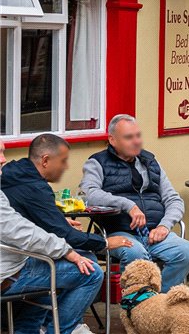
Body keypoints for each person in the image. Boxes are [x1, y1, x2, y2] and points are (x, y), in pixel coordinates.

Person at [79, 115, 189, 291]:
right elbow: (87, 194)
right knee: (136, 254)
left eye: (138, 136)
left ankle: (158, 301)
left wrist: (164, 226)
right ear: (112, 140)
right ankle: (136, 309)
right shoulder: (97, 163)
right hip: (118, 232)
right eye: (129, 137)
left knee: (186, 252)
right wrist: (128, 205)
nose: (136, 142)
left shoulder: (150, 162)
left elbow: (173, 199)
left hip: (153, 232)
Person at [0, 141, 108, 334]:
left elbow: (18, 221)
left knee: (50, 267)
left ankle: (32, 328)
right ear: (45, 160)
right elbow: (20, 230)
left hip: (14, 260)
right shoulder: (32, 184)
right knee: (91, 272)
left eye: (3, 152)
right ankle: (60, 330)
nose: (3, 160)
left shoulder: (12, 175)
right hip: (7, 274)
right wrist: (69, 250)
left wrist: (59, 225)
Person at [1, 133, 129, 261]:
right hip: (19, 258)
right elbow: (65, 235)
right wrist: (105, 243)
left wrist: (56, 218)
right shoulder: (36, 187)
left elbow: (23, 215)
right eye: (63, 161)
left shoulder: (13, 172)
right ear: (45, 161)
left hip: (12, 251)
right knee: (91, 268)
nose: (66, 167)